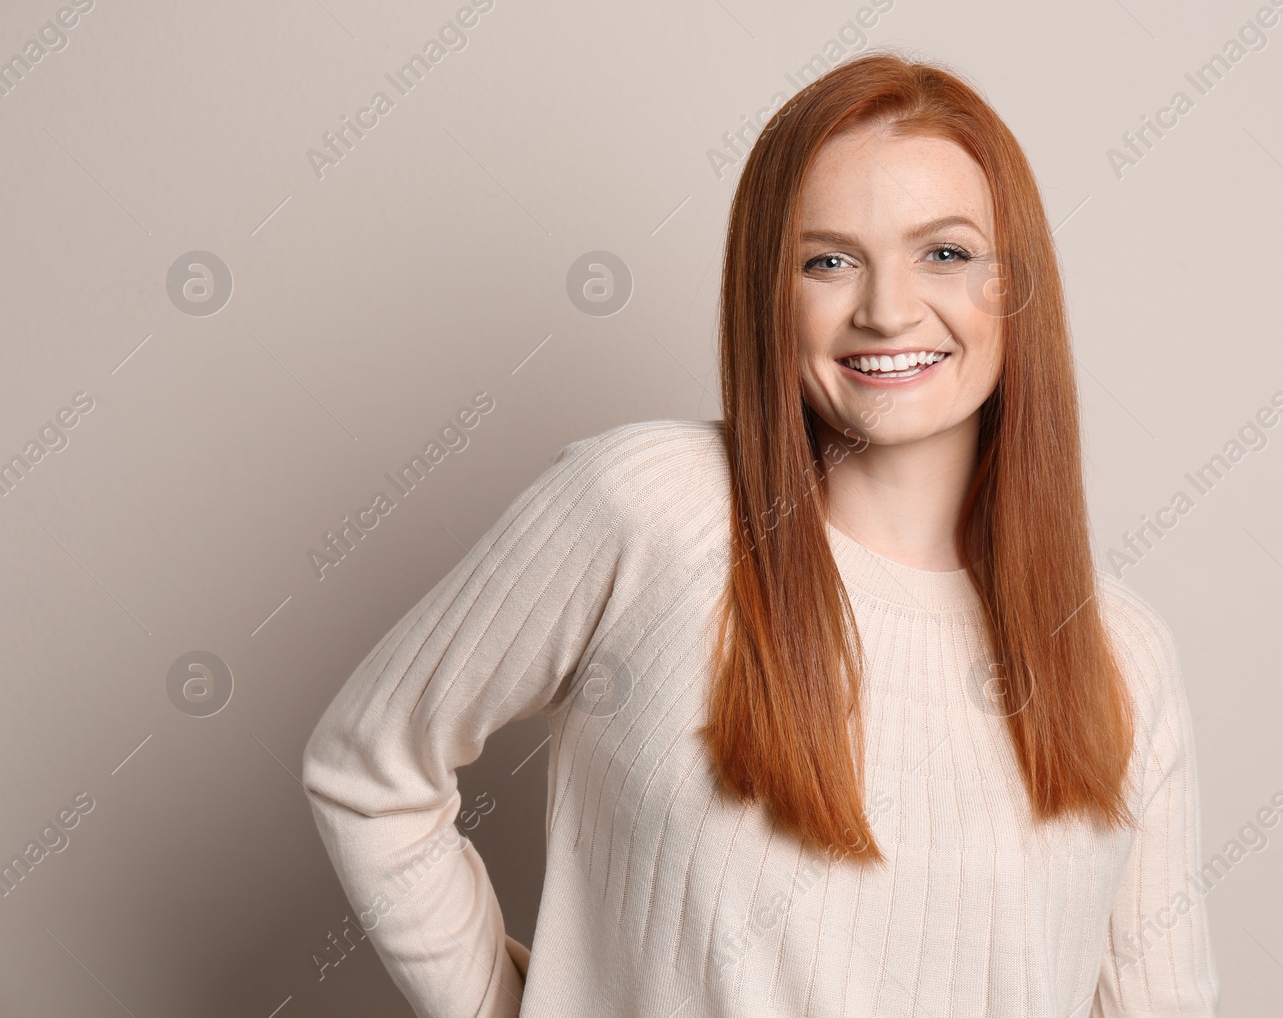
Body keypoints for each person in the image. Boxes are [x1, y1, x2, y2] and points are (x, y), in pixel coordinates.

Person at [302, 50, 1221, 1018]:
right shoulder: (645, 509)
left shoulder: (1122, 652)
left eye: (944, 252)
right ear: (764, 295)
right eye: (827, 259)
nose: (887, 308)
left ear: (1016, 289)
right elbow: (369, 769)